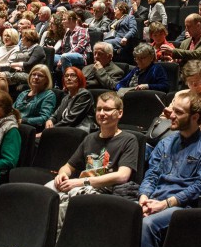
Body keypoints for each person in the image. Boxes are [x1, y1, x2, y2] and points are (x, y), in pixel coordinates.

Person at [138, 91, 201, 247]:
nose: (171, 116)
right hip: (155, 199)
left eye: (178, 112)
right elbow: (151, 175)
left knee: (148, 224)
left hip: (183, 206)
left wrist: (165, 204)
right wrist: (143, 198)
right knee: (123, 214)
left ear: (195, 117)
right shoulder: (165, 143)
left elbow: (200, 186)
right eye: (173, 110)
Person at [46, 91, 140, 229]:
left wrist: (81, 182)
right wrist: (62, 175)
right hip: (83, 186)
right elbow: (67, 167)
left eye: (107, 109)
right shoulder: (89, 138)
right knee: (46, 193)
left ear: (119, 113)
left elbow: (122, 176)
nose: (101, 113)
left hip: (105, 191)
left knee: (62, 209)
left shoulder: (129, 140)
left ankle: (54, 240)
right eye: (99, 109)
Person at [44, 67, 94, 132]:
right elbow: (55, 115)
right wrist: (50, 120)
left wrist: (50, 130)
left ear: (79, 79)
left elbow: (71, 120)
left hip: (80, 131)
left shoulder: (84, 95)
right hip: (65, 130)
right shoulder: (66, 97)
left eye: (73, 75)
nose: (69, 78)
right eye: (66, 76)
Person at [12, 65, 56, 129]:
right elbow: (12, 111)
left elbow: (44, 118)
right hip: (14, 124)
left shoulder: (49, 95)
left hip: (29, 128)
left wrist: (23, 121)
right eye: (34, 74)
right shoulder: (23, 94)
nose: (36, 77)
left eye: (40, 75)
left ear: (46, 80)